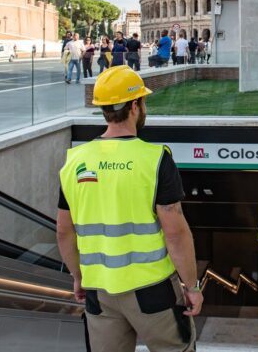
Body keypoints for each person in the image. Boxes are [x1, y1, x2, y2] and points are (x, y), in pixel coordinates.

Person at [56, 66, 202, 352]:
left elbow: (64, 231)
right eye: (142, 101)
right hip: (153, 291)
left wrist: (77, 276)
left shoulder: (75, 160)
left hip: (99, 291)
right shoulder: (155, 159)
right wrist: (192, 286)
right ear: (135, 105)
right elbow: (175, 233)